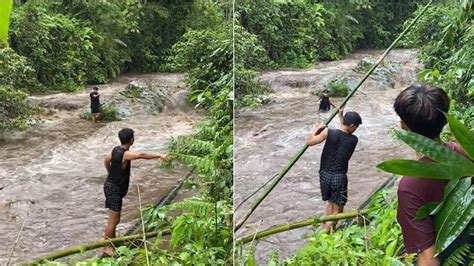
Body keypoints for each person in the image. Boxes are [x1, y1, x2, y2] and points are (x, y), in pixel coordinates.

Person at [394, 84, 473, 266]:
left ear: (404, 126)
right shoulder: (468, 153)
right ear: (445, 121)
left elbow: (428, 260)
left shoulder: (410, 186)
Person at [102, 128, 171, 256]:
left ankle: (113, 242)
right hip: (114, 189)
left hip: (110, 186)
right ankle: (107, 247)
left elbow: (106, 160)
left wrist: (110, 173)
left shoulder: (116, 150)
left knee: (115, 219)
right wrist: (160, 155)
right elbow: (141, 155)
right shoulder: (125, 154)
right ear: (132, 140)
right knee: (113, 220)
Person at [306, 108, 362, 233]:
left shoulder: (328, 133)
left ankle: (330, 231)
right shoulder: (353, 140)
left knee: (330, 203)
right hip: (339, 177)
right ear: (352, 125)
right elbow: (344, 133)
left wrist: (317, 128)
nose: (356, 129)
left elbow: (309, 141)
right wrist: (340, 117)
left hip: (324, 174)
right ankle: (323, 234)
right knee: (338, 211)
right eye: (356, 127)